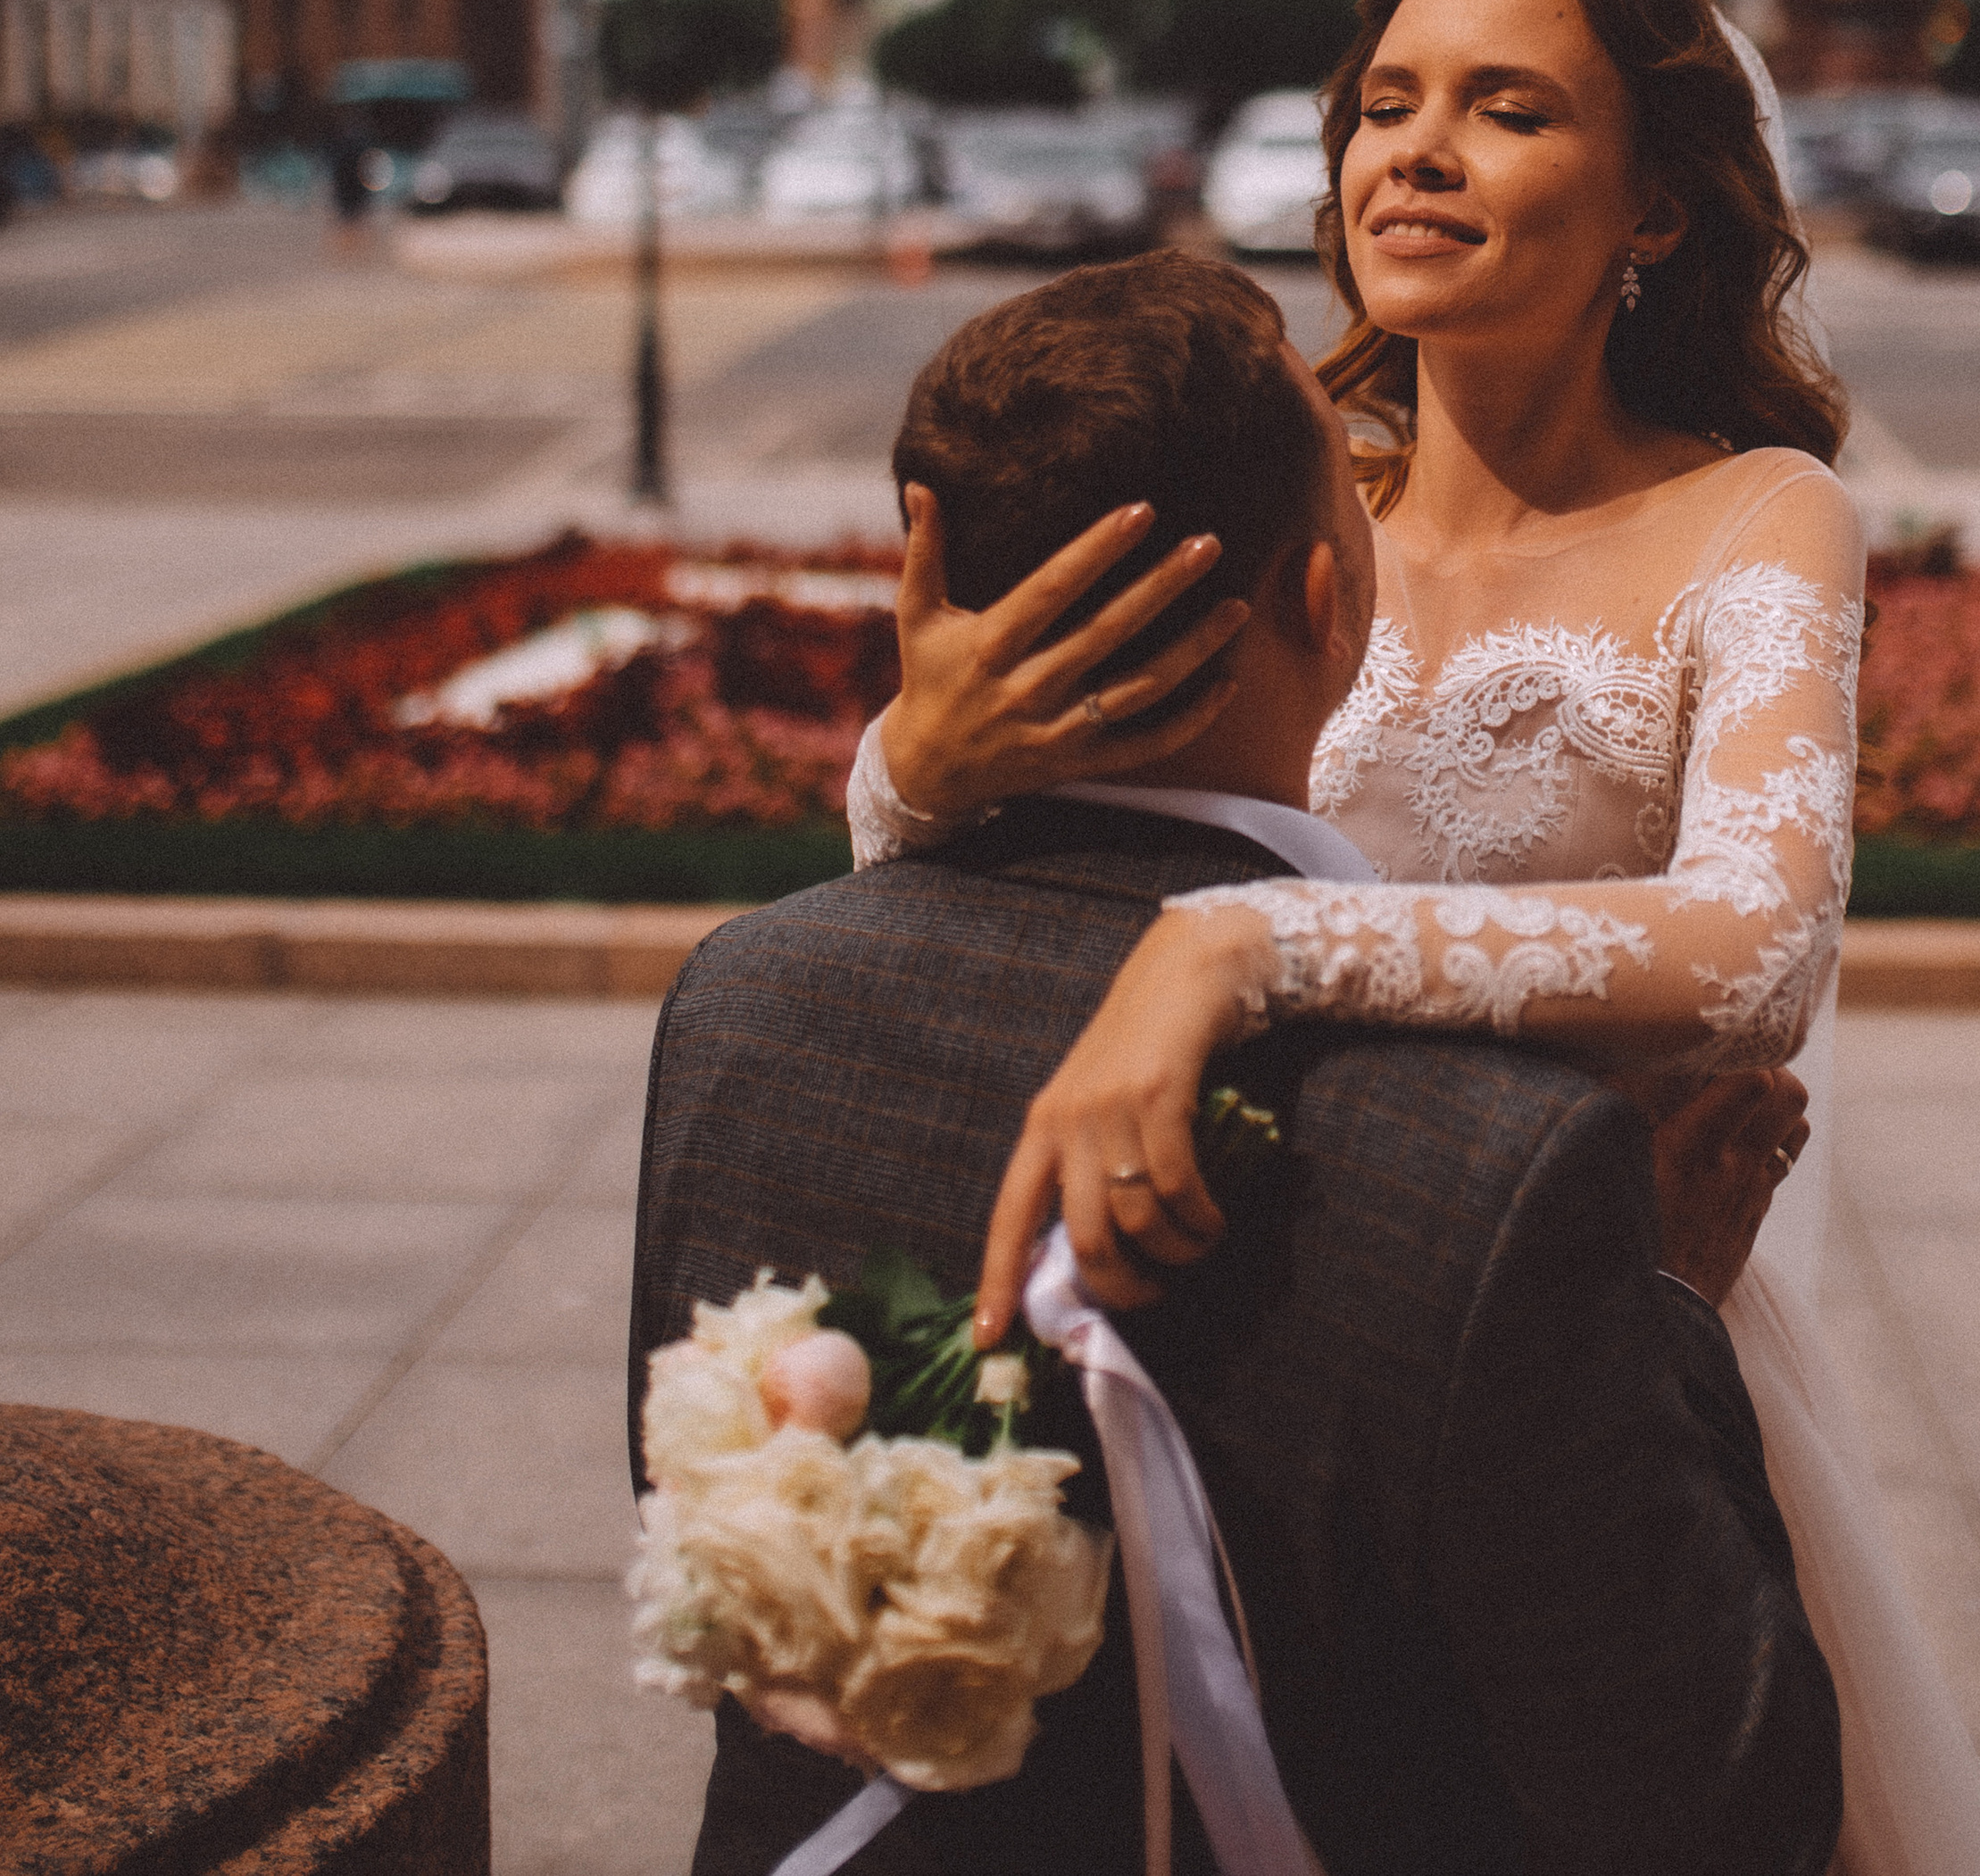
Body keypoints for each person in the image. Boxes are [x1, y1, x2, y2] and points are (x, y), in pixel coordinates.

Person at [848, 0, 1980, 1876]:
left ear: (1654, 202)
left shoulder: (1755, 515)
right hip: (1242, 1315)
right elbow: (978, 872)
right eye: (1385, 104)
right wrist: (914, 760)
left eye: (1505, 109)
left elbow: (1755, 948)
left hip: (1598, 1316)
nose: (1413, 150)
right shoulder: (1280, 492)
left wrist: (1242, 947)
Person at [630, 251, 1843, 1875]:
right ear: (1328, 602)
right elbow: (1721, 1802)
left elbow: (702, 1524)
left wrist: (907, 781)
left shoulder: (742, 1003)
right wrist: (1669, 1302)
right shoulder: (1499, 1174)